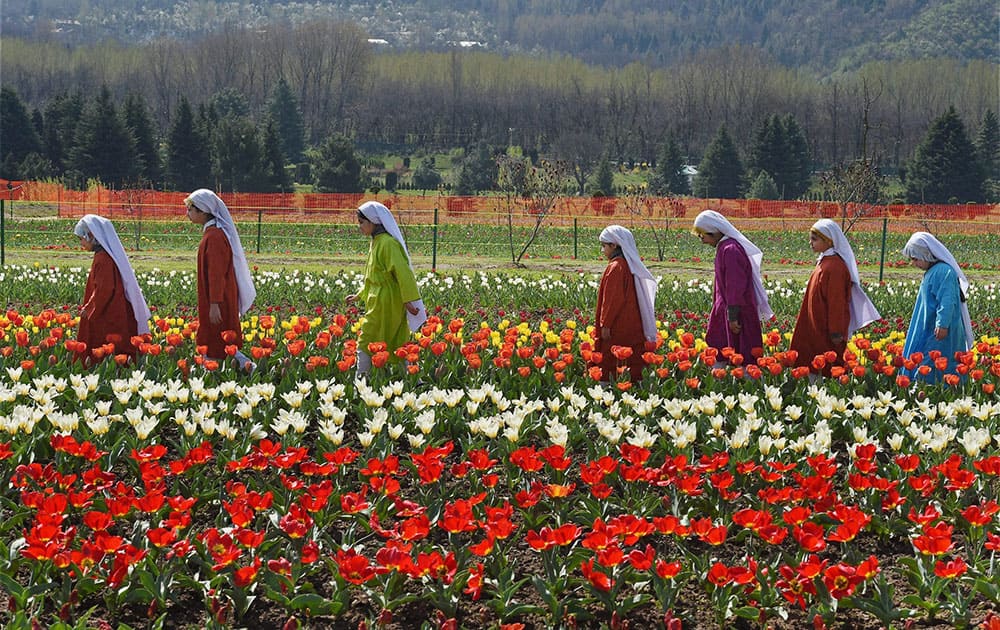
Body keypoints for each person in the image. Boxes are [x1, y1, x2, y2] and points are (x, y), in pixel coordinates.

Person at [789, 219, 880, 376]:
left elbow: (837, 302)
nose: (810, 243)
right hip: (815, 322)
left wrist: (836, 330)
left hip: (825, 327)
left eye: (814, 239)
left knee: (826, 364)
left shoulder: (835, 267)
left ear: (828, 241)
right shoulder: (825, 261)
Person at [346, 201, 426, 375]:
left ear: (374, 222)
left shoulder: (388, 244)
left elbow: (403, 273)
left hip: (387, 300)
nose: (359, 227)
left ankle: (361, 378)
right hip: (379, 299)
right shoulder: (376, 242)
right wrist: (359, 295)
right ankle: (413, 378)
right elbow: (373, 276)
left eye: (361, 222)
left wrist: (408, 300)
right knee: (395, 339)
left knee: (366, 337)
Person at [184, 189, 257, 372]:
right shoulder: (212, 234)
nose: (188, 213)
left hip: (218, 299)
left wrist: (215, 303)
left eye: (191, 209)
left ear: (202, 211)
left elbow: (216, 273)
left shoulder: (214, 237)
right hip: (216, 298)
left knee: (218, 337)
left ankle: (247, 367)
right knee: (218, 338)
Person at [692, 210, 773, 366]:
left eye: (703, 235)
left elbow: (735, 285)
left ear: (714, 232)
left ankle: (744, 383)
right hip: (726, 307)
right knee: (723, 345)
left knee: (742, 350)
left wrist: (733, 315)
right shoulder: (725, 247)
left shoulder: (730, 250)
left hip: (737, 309)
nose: (701, 239)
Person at [73, 214, 152, 366]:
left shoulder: (103, 259)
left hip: (107, 310)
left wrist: (90, 307)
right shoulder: (105, 256)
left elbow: (104, 289)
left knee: (103, 341)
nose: (81, 243)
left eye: (81, 239)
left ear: (91, 236)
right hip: (110, 306)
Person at [900, 231, 973, 383]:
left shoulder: (943, 272)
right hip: (929, 325)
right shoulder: (933, 271)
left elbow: (947, 300)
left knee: (934, 359)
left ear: (926, 254)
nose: (914, 263)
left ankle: (934, 390)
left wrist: (943, 324)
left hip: (938, 330)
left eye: (915, 259)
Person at [592, 225, 659, 383]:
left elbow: (612, 300)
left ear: (614, 245)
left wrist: (605, 324)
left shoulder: (616, 267)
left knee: (613, 358)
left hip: (617, 324)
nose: (603, 251)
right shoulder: (628, 265)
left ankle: (610, 388)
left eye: (604, 246)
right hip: (631, 321)